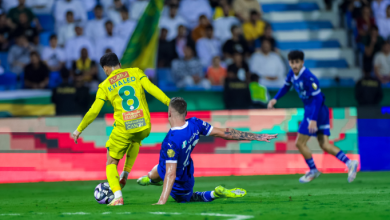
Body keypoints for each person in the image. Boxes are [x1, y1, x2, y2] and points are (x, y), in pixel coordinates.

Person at [72, 53, 171, 206]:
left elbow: (94, 111)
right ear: (119, 64)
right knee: (136, 139)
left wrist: (79, 129)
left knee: (111, 161)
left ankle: (117, 197)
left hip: (124, 127)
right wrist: (169, 102)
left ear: (105, 69)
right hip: (144, 125)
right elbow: (152, 88)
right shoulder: (136, 72)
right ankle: (125, 173)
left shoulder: (104, 86)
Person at [136, 97, 277, 204]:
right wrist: (256, 136)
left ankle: (214, 194)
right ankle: (151, 179)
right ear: (185, 113)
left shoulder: (171, 140)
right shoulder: (195, 123)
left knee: (188, 198)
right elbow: (225, 133)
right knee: (156, 171)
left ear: (169, 113)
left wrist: (161, 201)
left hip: (180, 178)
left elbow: (171, 174)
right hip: (181, 166)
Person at [267, 50, 359, 183]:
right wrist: (275, 99)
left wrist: (313, 119)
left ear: (302, 62)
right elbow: (286, 87)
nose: (295, 65)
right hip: (319, 111)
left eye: (297, 62)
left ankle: (313, 170)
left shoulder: (309, 77)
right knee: (325, 144)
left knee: (300, 143)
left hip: (315, 111)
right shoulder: (291, 74)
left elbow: (318, 99)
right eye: (292, 62)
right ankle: (350, 163)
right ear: (289, 63)